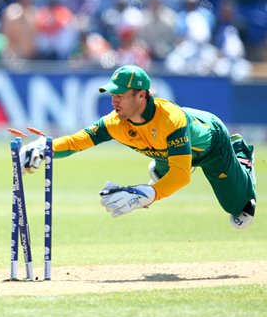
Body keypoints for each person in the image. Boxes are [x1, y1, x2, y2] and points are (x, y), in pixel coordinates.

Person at [20, 65, 257, 229]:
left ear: (141, 95)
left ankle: (241, 157)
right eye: (112, 94)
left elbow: (182, 176)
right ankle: (161, 166)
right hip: (168, 151)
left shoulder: (170, 120)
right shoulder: (114, 122)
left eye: (120, 95)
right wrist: (45, 147)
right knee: (162, 172)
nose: (113, 101)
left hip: (210, 145)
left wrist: (145, 194)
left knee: (241, 212)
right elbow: (76, 142)